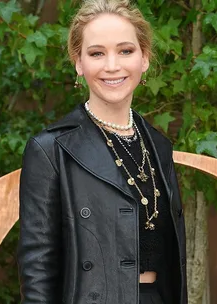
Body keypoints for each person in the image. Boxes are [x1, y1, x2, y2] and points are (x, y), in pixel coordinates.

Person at [17, 0, 187, 303]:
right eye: (97, 53)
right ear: (79, 63)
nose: (112, 66)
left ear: (144, 58)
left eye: (125, 51)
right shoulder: (50, 150)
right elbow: (38, 268)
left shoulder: (159, 147)